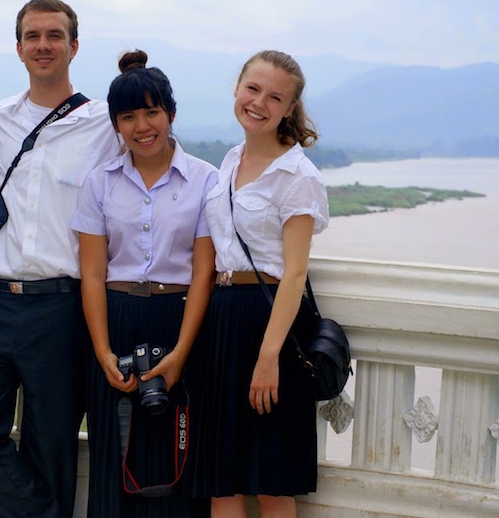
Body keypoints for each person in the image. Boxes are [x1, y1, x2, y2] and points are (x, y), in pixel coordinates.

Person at [0, 0, 121, 518]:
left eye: (54, 35)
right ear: (18, 46)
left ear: (73, 45)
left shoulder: (103, 124)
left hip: (61, 306)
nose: (43, 45)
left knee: (52, 447)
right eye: (32, 36)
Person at [71, 50, 216, 518]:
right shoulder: (100, 183)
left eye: (151, 112)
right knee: (114, 455)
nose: (141, 126)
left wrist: (181, 353)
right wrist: (102, 352)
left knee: (178, 452)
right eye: (128, 116)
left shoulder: (205, 181)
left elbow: (202, 276)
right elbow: (92, 273)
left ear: (170, 114)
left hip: (179, 322)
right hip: (115, 320)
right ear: (116, 124)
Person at [187, 51, 329, 517]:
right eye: (252, 89)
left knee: (270, 482)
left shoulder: (297, 175)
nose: (259, 103)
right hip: (222, 321)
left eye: (275, 97)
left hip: (270, 327)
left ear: (290, 108)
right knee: (221, 478)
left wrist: (269, 358)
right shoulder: (230, 161)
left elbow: (294, 272)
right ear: (237, 89)